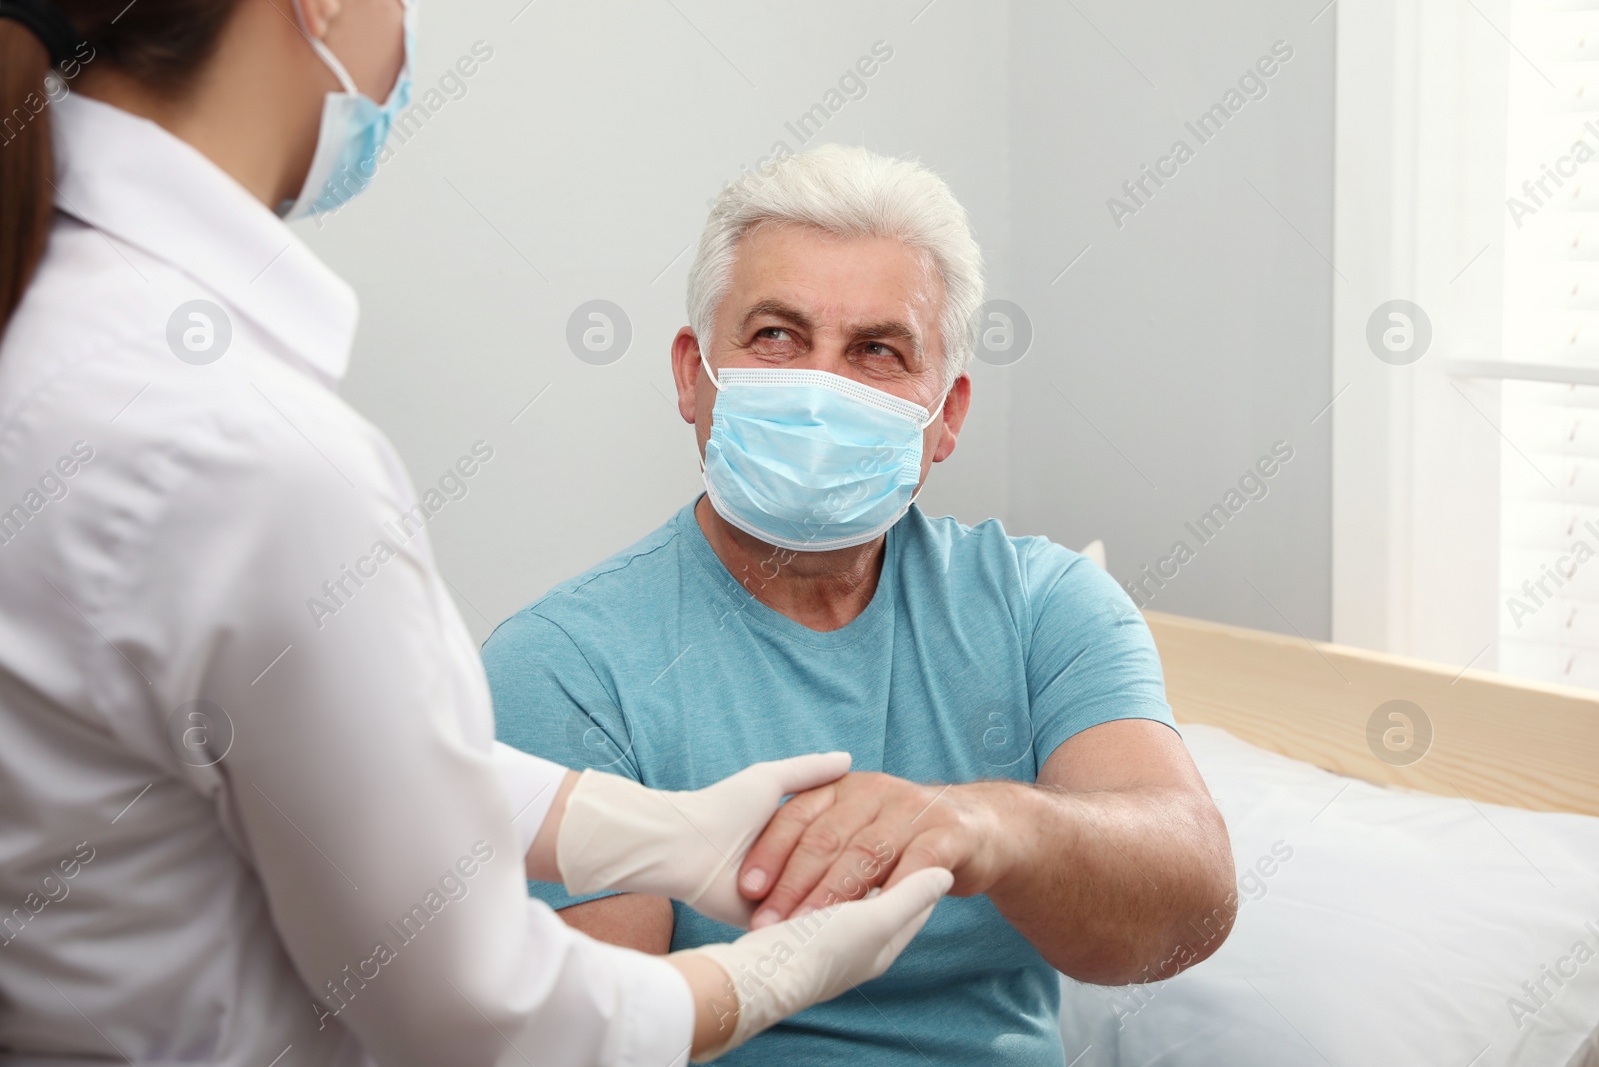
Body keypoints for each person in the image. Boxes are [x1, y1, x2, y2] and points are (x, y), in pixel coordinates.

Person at [0, 3, 953, 1064]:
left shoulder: (64, 327)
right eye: (777, 335)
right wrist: (776, 967)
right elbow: (479, 1016)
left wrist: (643, 830)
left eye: (877, 350)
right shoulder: (243, 449)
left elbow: (295, 756)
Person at [484, 144, 1239, 1066]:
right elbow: (593, 1038)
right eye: (775, 336)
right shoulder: (565, 663)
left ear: (947, 414)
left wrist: (989, 825)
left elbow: (1188, 907)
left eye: (878, 351)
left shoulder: (1044, 606)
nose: (820, 389)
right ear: (692, 375)